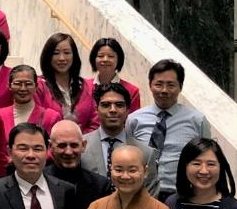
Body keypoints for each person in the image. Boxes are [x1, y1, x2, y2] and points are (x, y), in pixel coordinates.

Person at [128, 59, 210, 200]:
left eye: (171, 85)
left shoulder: (197, 120)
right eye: (159, 84)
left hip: (182, 196)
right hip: (141, 194)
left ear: (180, 87)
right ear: (150, 86)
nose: (164, 90)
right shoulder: (134, 119)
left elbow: (207, 159)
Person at [81, 82, 160, 196]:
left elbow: (150, 198)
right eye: (106, 105)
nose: (113, 110)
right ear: (96, 109)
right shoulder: (81, 147)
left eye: (119, 105)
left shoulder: (146, 153)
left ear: (128, 110)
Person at [45, 120, 113, 209]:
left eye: (74, 145)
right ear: (50, 147)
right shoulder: (39, 182)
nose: (68, 152)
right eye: (62, 146)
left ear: (84, 145)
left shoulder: (100, 186)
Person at [39, 32, 96, 132]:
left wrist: (78, 141)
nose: (62, 58)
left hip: (83, 144)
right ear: (48, 56)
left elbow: (95, 123)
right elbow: (37, 120)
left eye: (67, 53)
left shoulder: (88, 87)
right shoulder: (39, 86)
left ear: (74, 56)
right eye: (56, 53)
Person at [0, 65, 62, 136]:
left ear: (36, 86)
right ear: (9, 86)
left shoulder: (51, 117)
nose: (23, 89)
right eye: (18, 84)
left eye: (28, 84)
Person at [89, 38, 142, 111]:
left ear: (119, 60)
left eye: (110, 56)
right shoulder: (83, 87)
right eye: (100, 56)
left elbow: (133, 120)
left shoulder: (132, 91)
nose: (105, 59)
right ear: (93, 59)